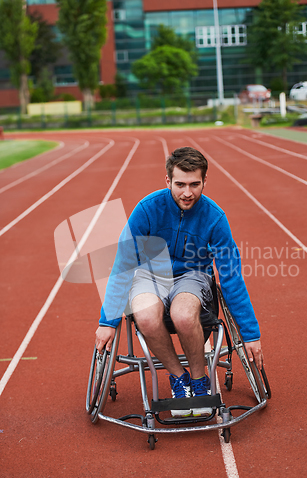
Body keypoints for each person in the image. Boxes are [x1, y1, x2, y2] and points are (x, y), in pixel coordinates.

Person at [95, 147, 263, 417]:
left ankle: (199, 381)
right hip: (149, 276)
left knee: (183, 315)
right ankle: (178, 378)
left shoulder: (215, 217)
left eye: (195, 184)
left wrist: (250, 334)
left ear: (204, 182)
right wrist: (108, 321)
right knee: (146, 317)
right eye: (180, 184)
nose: (187, 193)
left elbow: (231, 275)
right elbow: (124, 263)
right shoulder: (147, 209)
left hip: (193, 276)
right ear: (168, 181)